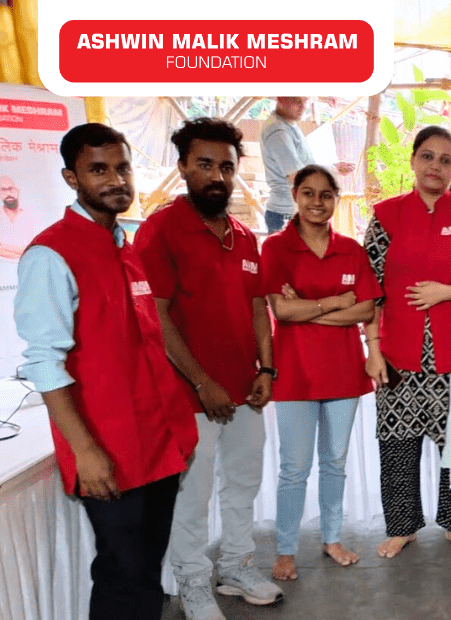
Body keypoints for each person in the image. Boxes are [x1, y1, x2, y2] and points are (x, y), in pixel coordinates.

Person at [13, 123, 197, 620]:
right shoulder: (51, 254)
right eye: (99, 169)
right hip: (109, 450)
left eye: (122, 167)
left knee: (145, 571)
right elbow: (45, 365)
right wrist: (85, 452)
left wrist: (179, 431)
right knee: (122, 574)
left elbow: (147, 346)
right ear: (71, 178)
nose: (116, 179)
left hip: (157, 444)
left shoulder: (124, 244)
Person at [136, 118, 283, 620]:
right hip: (188, 395)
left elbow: (258, 305)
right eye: (204, 164)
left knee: (243, 483)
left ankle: (236, 566)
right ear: (182, 167)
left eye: (225, 165)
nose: (216, 175)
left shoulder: (243, 236)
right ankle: (192, 582)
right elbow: (155, 316)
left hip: (247, 390)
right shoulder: (160, 230)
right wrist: (202, 382)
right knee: (192, 497)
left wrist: (268, 369)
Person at [363, 125, 451, 560]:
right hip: (397, 356)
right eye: (428, 156)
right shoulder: (386, 216)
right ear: (412, 161)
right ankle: (402, 526)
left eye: (446, 160)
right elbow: (370, 290)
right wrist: (372, 348)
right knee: (397, 443)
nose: (436, 166)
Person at [260, 164, 382, 581]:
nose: (317, 202)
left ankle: (332, 538)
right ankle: (285, 548)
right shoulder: (276, 248)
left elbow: (366, 308)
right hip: (294, 374)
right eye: (308, 193)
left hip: (344, 373)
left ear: (336, 199)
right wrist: (336, 303)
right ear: (294, 195)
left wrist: (309, 309)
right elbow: (281, 310)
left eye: (325, 195)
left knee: (335, 463)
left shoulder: (351, 249)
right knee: (294, 468)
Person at [261, 97, 352, 233]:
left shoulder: (288, 125)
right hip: (287, 212)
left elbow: (305, 167)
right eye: (296, 100)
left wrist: (334, 167)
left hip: (295, 210)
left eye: (305, 100)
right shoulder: (278, 131)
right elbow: (296, 175)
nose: (302, 106)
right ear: (281, 98)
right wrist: (332, 169)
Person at [0, 174, 40, 258]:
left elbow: (37, 248)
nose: (8, 194)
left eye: (11, 189)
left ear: (17, 190)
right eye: (3, 190)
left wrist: (4, 247)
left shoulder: (31, 214)